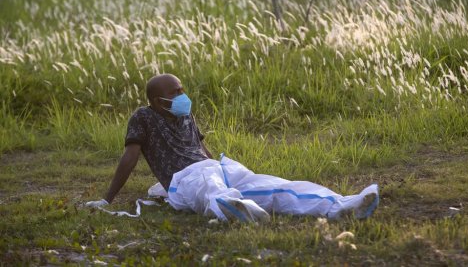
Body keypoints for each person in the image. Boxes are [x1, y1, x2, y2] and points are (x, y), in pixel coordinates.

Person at [86, 74, 379, 222]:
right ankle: (240, 209)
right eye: (174, 92)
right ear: (155, 100)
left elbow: (201, 149)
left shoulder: (185, 113)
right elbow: (130, 158)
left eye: (182, 89)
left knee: (275, 186)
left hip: (217, 167)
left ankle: (342, 204)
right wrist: (108, 199)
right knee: (208, 186)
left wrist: (222, 167)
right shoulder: (144, 117)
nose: (182, 96)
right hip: (183, 179)